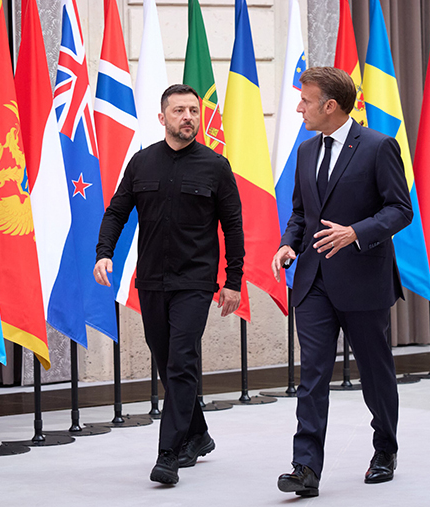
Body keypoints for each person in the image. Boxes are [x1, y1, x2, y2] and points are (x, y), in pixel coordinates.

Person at [271, 67, 412, 497]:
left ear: (330, 105)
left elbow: (400, 210)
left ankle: (385, 449)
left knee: (374, 372)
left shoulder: (378, 146)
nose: (299, 108)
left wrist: (356, 232)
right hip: (313, 281)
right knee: (312, 374)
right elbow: (301, 212)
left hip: (363, 280)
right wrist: (288, 244)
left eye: (306, 100)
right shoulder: (306, 151)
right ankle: (305, 468)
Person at [95, 84, 244, 485]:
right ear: (163, 117)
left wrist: (233, 280)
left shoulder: (216, 166)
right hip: (151, 281)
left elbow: (233, 227)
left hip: (195, 281)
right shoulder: (141, 163)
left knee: (181, 361)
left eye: (193, 110)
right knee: (166, 361)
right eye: (179, 111)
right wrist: (104, 252)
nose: (188, 117)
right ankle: (198, 434)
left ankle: (168, 453)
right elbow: (116, 212)